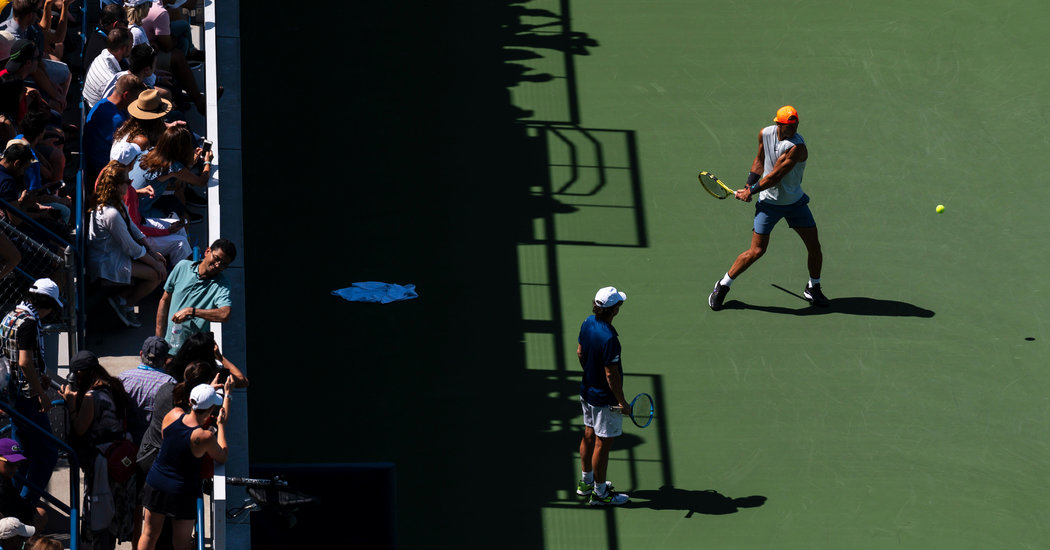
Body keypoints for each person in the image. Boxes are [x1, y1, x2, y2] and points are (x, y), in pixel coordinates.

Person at [707, 105, 828, 310]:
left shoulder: (797, 147)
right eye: (789, 125)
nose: (794, 128)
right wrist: (749, 184)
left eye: (796, 124)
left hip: (795, 204)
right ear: (778, 124)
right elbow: (760, 160)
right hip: (769, 205)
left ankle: (813, 287)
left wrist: (750, 192)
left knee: (814, 246)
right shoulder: (765, 133)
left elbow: (775, 177)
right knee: (756, 251)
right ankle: (723, 285)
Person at [138, 381, 232, 550]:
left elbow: (169, 438)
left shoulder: (172, 414)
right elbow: (222, 456)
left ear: (190, 401)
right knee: (181, 544)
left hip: (156, 482)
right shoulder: (203, 437)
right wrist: (221, 426)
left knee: (149, 534)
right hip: (182, 491)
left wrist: (207, 391)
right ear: (211, 410)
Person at [59, 350, 137, 549]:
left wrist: (70, 403)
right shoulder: (114, 386)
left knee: (99, 513)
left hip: (103, 464)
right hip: (121, 461)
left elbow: (79, 427)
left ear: (80, 374)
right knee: (112, 515)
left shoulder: (91, 397)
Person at [0, 278, 60, 519]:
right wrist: (42, 394)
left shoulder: (9, 316)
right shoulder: (29, 323)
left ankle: (10, 502)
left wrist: (39, 375)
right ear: (47, 304)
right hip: (26, 398)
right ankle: (23, 506)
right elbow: (24, 362)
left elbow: (14, 358)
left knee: (20, 451)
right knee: (47, 453)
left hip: (10, 395)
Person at [87, 160, 168, 328]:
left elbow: (133, 229)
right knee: (157, 274)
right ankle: (125, 303)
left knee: (157, 265)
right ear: (117, 186)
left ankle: (122, 299)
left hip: (115, 254)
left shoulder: (116, 202)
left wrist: (153, 252)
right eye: (127, 181)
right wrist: (155, 263)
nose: (131, 184)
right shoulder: (110, 213)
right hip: (107, 262)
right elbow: (130, 247)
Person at [575, 286, 631, 506]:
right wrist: (621, 401)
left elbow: (580, 352)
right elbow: (611, 374)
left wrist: (590, 372)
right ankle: (600, 494)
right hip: (604, 400)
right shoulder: (609, 339)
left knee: (589, 434)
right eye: (619, 304)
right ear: (614, 310)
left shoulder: (587, 322)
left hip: (587, 390)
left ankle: (586, 483)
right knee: (602, 444)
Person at [155, 239, 234, 354]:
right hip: (169, 348)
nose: (218, 265)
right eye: (217, 259)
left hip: (194, 354)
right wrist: (158, 339)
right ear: (207, 251)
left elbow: (225, 314)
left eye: (224, 264)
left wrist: (191, 311)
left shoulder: (222, 284)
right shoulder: (182, 267)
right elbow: (164, 301)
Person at [119, 336, 175, 447]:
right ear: (165, 360)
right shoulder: (170, 383)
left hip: (125, 444)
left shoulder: (123, 378)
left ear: (141, 354)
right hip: (154, 446)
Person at [82, 26, 133, 109]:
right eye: (131, 44)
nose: (132, 47)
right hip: (98, 113)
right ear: (124, 48)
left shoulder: (101, 57)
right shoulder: (111, 79)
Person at [0, 438, 43, 530]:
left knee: (40, 514)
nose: (15, 468)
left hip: (10, 524)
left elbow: (20, 505)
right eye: (11, 463)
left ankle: (23, 543)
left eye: (18, 463)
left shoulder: (6, 480)